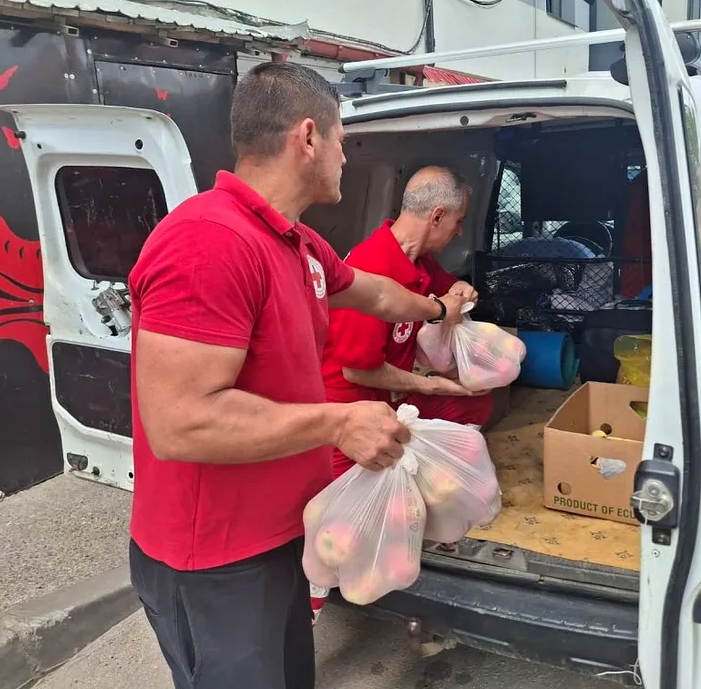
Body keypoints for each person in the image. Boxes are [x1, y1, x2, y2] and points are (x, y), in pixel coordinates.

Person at [126, 62, 466, 689]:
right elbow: (180, 423)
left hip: (281, 535)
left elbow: (376, 294)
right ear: (308, 137)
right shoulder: (208, 241)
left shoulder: (297, 244)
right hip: (216, 562)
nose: (345, 157)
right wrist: (339, 421)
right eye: (342, 141)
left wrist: (440, 310)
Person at [321, 165, 495, 482]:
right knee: (366, 495)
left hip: (393, 397)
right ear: (437, 216)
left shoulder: (420, 261)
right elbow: (357, 371)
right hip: (353, 408)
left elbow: (451, 292)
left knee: (475, 404)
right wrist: (430, 383)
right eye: (458, 221)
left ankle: (424, 469)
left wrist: (462, 289)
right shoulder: (370, 266)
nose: (459, 231)